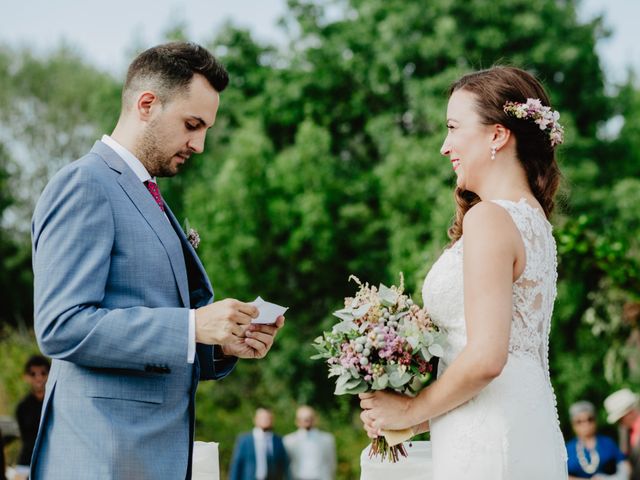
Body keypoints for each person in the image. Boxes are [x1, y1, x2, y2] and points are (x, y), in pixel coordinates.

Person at [30, 41, 285, 479]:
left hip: (148, 459)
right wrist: (192, 326)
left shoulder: (148, 195)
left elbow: (156, 338)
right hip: (100, 458)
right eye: (192, 124)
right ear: (146, 104)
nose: (199, 144)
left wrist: (219, 345)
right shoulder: (85, 184)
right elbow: (60, 325)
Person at [359, 66, 567, 479]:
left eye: (453, 128)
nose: (444, 146)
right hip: (523, 426)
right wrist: (410, 423)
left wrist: (411, 407)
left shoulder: (489, 218)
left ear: (497, 135)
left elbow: (489, 358)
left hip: (491, 440)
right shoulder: (535, 224)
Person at [566, 400, 630, 479]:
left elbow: (625, 467)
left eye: (590, 419)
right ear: (573, 425)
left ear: (595, 420)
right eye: (579, 421)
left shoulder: (607, 443)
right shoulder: (568, 449)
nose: (585, 424)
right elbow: (563, 476)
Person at [230, 408, 289, 480]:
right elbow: (237, 465)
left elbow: (283, 465)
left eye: (268, 418)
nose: (265, 420)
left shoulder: (278, 440)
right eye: (262, 418)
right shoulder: (245, 440)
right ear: (255, 419)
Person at [15, 355, 50, 472]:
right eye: (33, 374)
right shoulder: (22, 407)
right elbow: (25, 439)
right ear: (26, 377)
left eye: (43, 373)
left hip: (51, 462)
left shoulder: (56, 404)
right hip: (26, 462)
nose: (38, 378)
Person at [283, 405, 336, 480]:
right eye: (303, 418)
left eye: (309, 418)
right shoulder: (288, 440)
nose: (306, 421)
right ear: (297, 421)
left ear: (315, 419)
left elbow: (331, 464)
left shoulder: (327, 439)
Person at [605, 388, 640, 480]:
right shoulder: (626, 431)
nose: (619, 423)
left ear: (629, 412)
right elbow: (624, 455)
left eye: (620, 419)